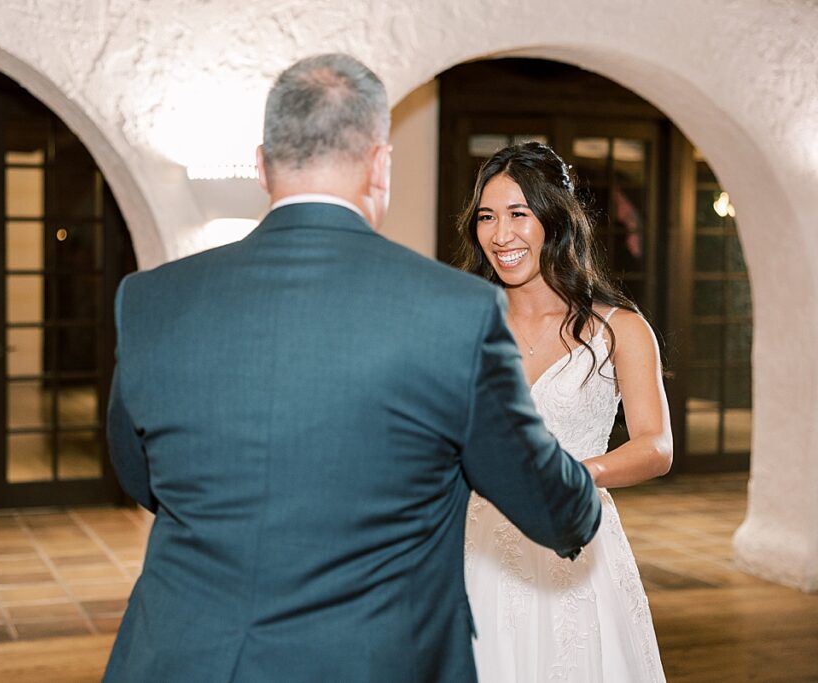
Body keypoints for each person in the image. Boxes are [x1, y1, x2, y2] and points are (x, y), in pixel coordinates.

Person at [104, 55, 601, 683]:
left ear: (261, 165)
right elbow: (554, 508)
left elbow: (139, 476)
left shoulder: (151, 300)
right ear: (380, 163)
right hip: (374, 660)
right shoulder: (455, 312)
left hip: (182, 657)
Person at [457, 142, 672, 682]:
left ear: (555, 219)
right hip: (476, 546)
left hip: (578, 548)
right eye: (487, 216)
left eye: (517, 214)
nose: (500, 234)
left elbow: (656, 445)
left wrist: (579, 475)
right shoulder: (462, 323)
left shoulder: (618, 329)